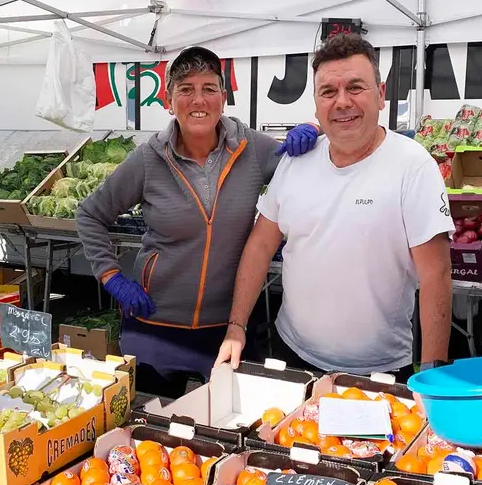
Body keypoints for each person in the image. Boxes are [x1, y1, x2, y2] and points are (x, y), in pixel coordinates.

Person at [76, 46, 320, 398]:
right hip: (154, 327)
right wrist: (112, 277)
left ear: (223, 97)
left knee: (232, 426)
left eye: (209, 88)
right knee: (153, 428)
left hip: (227, 328)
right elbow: (90, 214)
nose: (198, 99)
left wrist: (311, 131)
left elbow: (317, 162)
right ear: (168, 99)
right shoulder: (148, 159)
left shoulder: (252, 149)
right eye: (185, 89)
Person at [215, 34, 454, 380]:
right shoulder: (296, 162)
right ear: (315, 103)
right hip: (292, 355)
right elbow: (260, 245)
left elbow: (436, 274)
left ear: (381, 95)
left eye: (355, 87)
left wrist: (433, 371)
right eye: (328, 91)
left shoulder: (413, 166)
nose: (342, 102)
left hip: (379, 371)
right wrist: (236, 325)